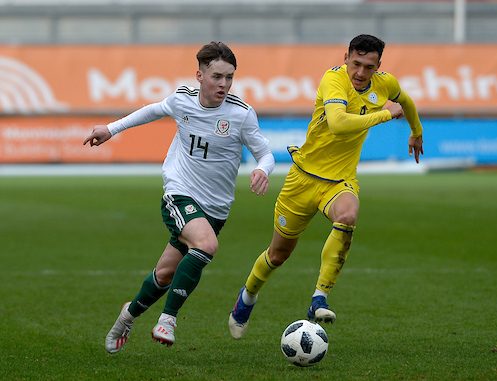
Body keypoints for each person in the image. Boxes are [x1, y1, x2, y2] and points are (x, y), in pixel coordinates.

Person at [83, 41, 275, 353]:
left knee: (164, 274)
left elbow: (265, 153)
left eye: (229, 77)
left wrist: (263, 170)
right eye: (217, 77)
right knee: (207, 245)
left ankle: (127, 316)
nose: (223, 84)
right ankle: (168, 319)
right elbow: (151, 111)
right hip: (180, 191)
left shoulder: (241, 115)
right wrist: (110, 128)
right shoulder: (182, 101)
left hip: (216, 207)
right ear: (199, 75)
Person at [228, 34, 423, 339]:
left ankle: (319, 297)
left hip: (340, 180)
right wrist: (385, 114)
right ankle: (248, 296)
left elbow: (406, 101)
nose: (360, 72)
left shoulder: (385, 83)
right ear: (346, 57)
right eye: (356, 63)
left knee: (347, 216)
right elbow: (338, 123)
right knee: (278, 255)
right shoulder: (333, 80)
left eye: (368, 67)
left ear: (378, 66)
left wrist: (416, 131)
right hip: (303, 179)